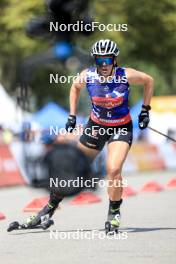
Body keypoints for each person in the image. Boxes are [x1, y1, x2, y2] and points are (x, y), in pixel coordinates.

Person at [26, 39, 153, 233]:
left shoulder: (126, 75)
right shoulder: (88, 76)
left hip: (121, 127)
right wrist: (72, 115)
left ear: (114, 60)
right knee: (72, 169)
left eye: (107, 60)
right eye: (99, 60)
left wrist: (145, 110)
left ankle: (114, 213)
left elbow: (148, 81)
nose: (103, 65)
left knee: (113, 169)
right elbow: (74, 88)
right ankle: (47, 211)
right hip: (96, 127)